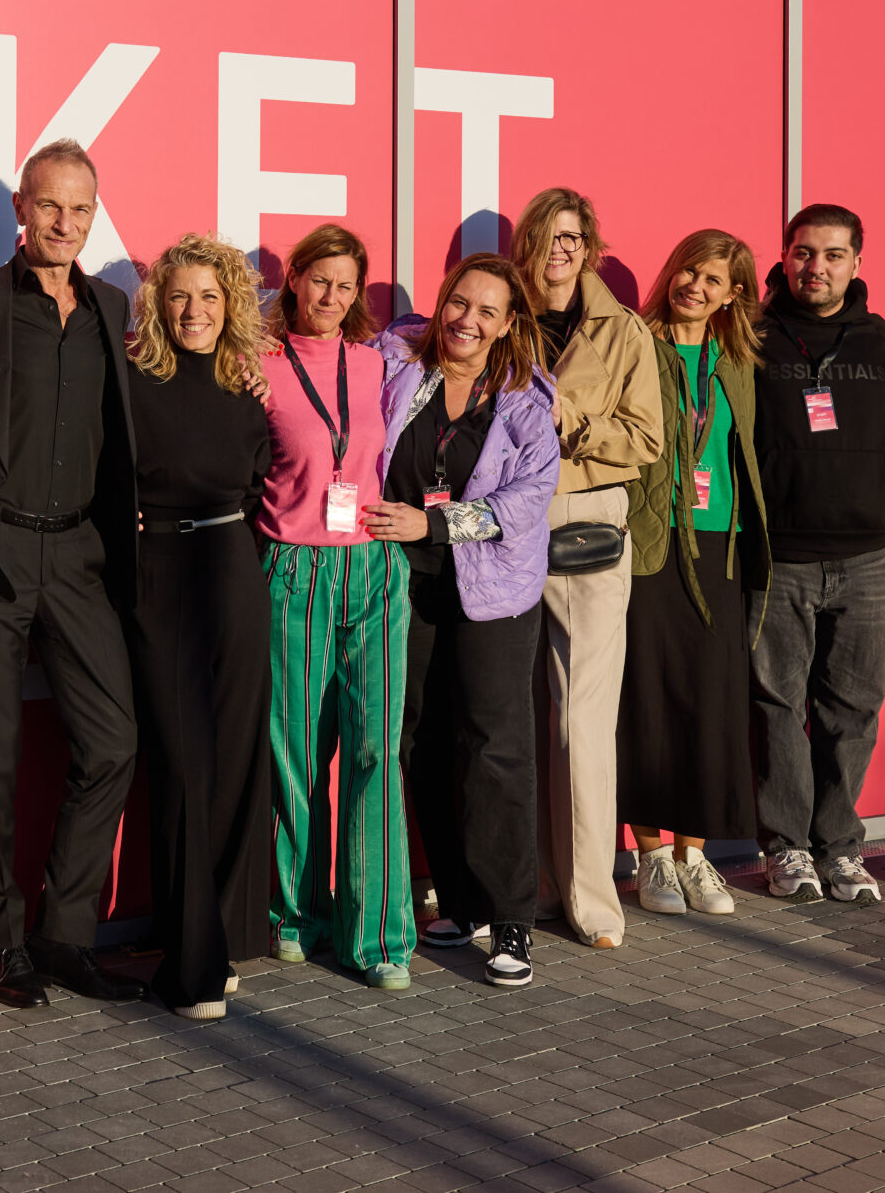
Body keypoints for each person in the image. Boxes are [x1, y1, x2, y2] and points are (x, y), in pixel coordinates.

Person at [0, 139, 147, 1008]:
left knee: (113, 742)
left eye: (80, 209)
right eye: (49, 206)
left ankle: (64, 932)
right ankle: (2, 941)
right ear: (21, 210)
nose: (65, 223)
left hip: (78, 554)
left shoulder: (111, 304)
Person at [369, 254, 558, 988]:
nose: (467, 321)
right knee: (416, 739)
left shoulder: (526, 402)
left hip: (493, 593)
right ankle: (458, 899)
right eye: (459, 303)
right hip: (405, 581)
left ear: (508, 324)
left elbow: (527, 501)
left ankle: (511, 917)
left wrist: (435, 524)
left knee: (494, 746)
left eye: (486, 311)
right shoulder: (397, 360)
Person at [121, 234, 274, 1020]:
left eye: (209, 296)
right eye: (179, 296)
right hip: (163, 573)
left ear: (230, 304)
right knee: (182, 765)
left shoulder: (246, 382)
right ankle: (191, 968)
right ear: (157, 303)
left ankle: (220, 938)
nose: (194, 311)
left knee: (238, 757)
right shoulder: (131, 379)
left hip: (234, 568)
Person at [261, 224, 415, 989]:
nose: (331, 296)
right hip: (293, 568)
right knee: (294, 752)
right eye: (319, 279)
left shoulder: (381, 362)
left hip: (373, 567)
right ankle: (295, 914)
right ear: (294, 278)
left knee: (375, 752)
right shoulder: (258, 363)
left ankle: (379, 936)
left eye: (346, 285)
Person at [510, 188, 663, 950]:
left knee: (581, 719)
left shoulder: (622, 330)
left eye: (573, 237)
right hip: (504, 522)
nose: (561, 250)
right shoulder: (502, 316)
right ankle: (533, 887)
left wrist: (573, 421)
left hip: (585, 522)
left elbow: (647, 439)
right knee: (513, 717)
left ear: (589, 247)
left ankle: (593, 898)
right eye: (549, 235)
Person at [751, 205, 885, 906]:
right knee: (777, 705)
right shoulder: (754, 336)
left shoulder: (879, 339)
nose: (816, 267)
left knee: (853, 708)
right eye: (804, 253)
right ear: (784, 256)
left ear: (857, 263)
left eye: (833, 255)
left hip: (867, 556)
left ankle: (840, 848)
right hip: (781, 555)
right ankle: (786, 847)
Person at [620, 230, 771, 919]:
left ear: (733, 295)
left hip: (719, 547)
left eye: (712, 280)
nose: (694, 287)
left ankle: (693, 854)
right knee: (647, 696)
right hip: (652, 541)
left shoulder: (737, 360)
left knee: (712, 701)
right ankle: (651, 854)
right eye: (688, 271)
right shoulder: (636, 344)